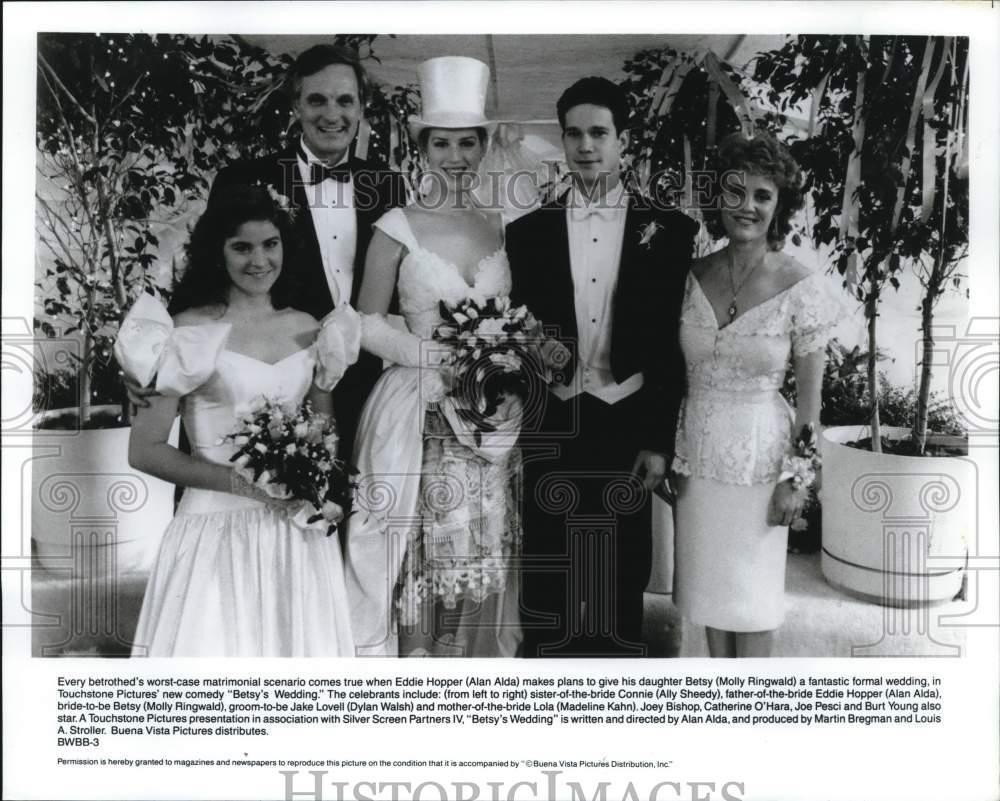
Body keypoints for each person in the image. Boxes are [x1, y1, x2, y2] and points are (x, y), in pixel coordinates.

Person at [116, 184, 360, 656]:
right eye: (242, 247)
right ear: (217, 252)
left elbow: (323, 438)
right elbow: (143, 450)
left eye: (271, 244)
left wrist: (315, 481)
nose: (259, 260)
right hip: (213, 528)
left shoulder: (311, 327)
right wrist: (242, 484)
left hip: (295, 535)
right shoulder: (185, 331)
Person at [506, 77, 699, 657]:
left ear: (623, 141)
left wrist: (659, 439)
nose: (585, 146)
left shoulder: (671, 231)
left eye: (599, 133)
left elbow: (671, 343)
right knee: (548, 557)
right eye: (574, 134)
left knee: (622, 561)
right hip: (555, 416)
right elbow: (515, 328)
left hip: (629, 414)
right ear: (561, 141)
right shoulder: (527, 232)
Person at [344, 57, 522, 657]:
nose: (454, 155)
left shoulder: (501, 224)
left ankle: (465, 669)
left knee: (477, 552)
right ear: (423, 148)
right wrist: (434, 358)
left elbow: (520, 316)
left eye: (466, 143)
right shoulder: (395, 226)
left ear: (482, 148)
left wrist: (499, 360)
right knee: (422, 553)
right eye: (441, 143)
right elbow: (363, 323)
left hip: (491, 417)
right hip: (418, 411)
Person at [671, 132, 840, 658]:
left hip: (762, 466)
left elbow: (810, 407)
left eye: (762, 195)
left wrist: (797, 481)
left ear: (780, 205)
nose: (746, 206)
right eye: (735, 191)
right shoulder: (691, 275)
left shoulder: (802, 286)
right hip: (696, 461)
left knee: (754, 600)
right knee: (709, 599)